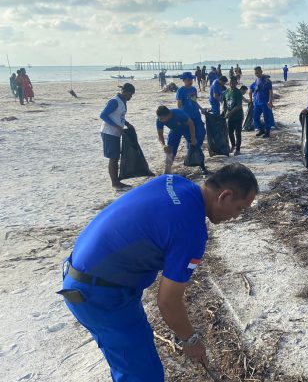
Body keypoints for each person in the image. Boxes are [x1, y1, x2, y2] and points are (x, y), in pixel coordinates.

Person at [59, 163, 259, 381]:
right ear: (224, 196)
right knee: (143, 375)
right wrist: (190, 341)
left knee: (136, 357)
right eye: (240, 208)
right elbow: (167, 301)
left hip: (82, 273)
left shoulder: (172, 181)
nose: (237, 216)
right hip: (100, 296)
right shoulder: (191, 231)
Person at [99, 83, 135, 190]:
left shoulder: (123, 101)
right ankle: (115, 183)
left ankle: (117, 181)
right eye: (130, 94)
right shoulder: (114, 101)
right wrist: (117, 127)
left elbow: (119, 116)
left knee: (116, 156)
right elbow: (103, 115)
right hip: (109, 132)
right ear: (125, 92)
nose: (131, 97)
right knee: (113, 158)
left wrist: (127, 124)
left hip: (116, 132)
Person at [156, 105, 203, 174]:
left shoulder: (179, 113)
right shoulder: (159, 120)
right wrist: (163, 145)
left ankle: (202, 166)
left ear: (169, 115)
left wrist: (193, 139)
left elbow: (191, 124)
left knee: (195, 145)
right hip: (175, 130)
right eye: (159, 118)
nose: (160, 120)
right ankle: (167, 171)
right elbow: (160, 135)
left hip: (187, 129)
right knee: (169, 149)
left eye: (162, 118)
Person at [249, 66, 274, 138]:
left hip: (265, 102)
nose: (256, 74)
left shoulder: (267, 81)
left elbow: (270, 91)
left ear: (261, 71)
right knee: (255, 117)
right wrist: (251, 99)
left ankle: (267, 132)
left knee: (267, 117)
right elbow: (251, 89)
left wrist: (270, 101)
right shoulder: (256, 80)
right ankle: (261, 130)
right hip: (257, 102)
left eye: (257, 72)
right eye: (255, 73)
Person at [223, 78, 245, 155]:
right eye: (230, 83)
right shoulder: (227, 91)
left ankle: (238, 149)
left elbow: (239, 106)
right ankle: (233, 146)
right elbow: (224, 102)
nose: (232, 85)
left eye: (233, 83)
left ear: (236, 83)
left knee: (238, 133)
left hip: (238, 116)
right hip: (230, 117)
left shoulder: (238, 92)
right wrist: (224, 111)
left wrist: (230, 112)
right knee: (230, 132)